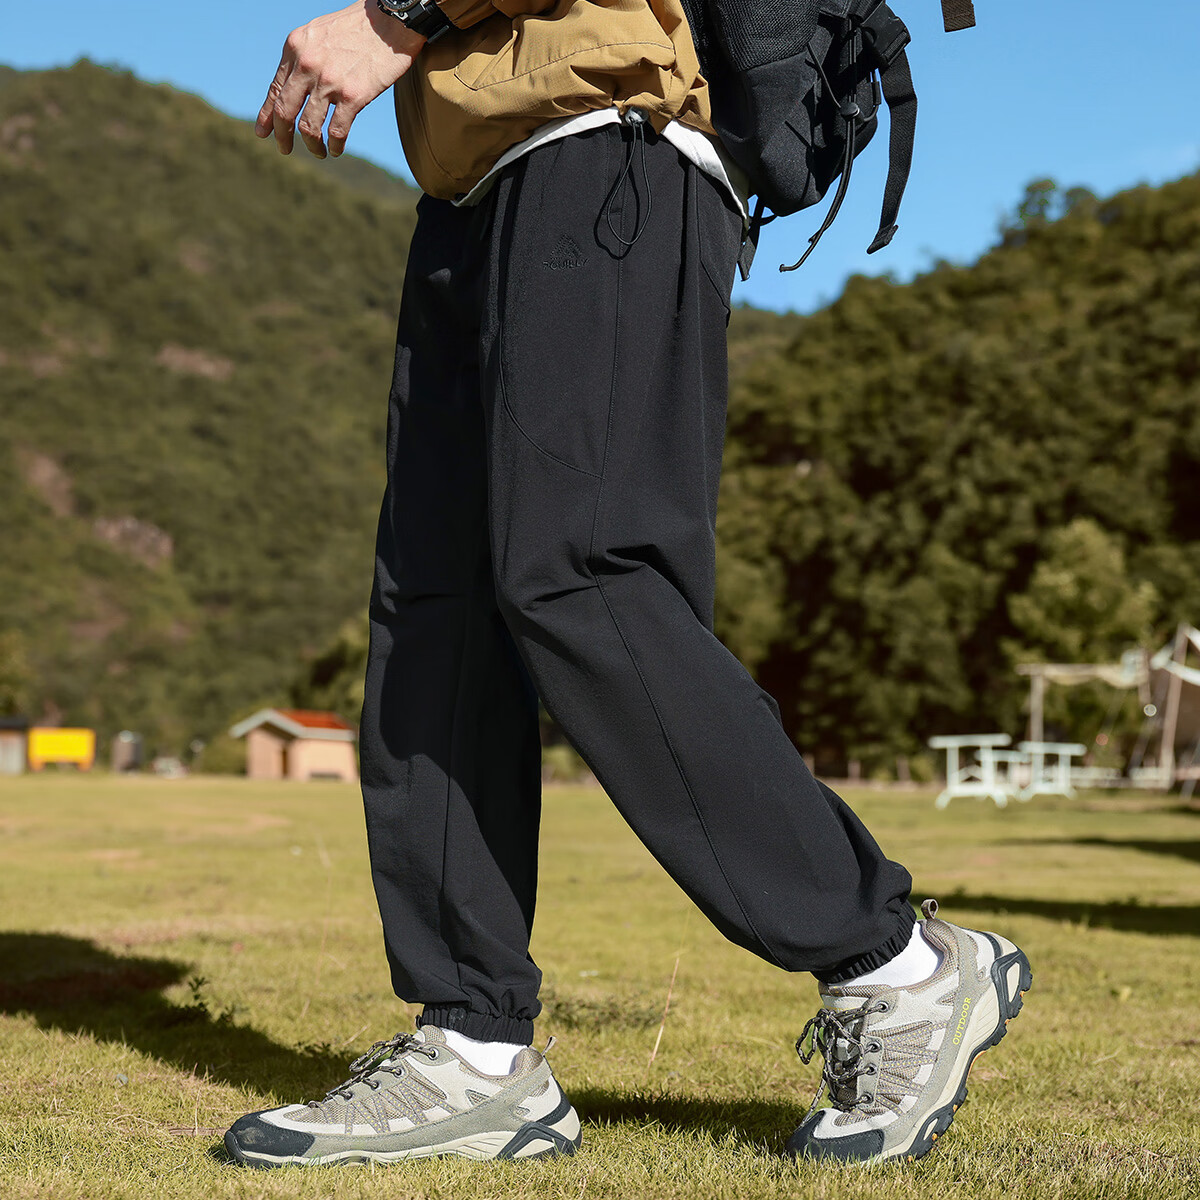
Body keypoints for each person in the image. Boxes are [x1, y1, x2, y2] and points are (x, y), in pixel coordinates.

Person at [223, 0, 1030, 1169]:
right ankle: (474, 1048)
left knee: (582, 575)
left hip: (607, 141)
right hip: (470, 182)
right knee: (435, 615)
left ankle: (895, 964)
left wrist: (399, 14)